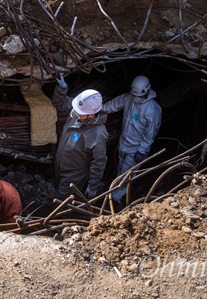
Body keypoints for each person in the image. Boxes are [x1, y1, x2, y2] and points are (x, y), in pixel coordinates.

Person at [101, 75, 162, 209]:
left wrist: (142, 150)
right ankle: (114, 188)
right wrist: (98, 109)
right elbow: (113, 105)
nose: (135, 98)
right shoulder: (128, 98)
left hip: (136, 149)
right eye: (134, 95)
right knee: (121, 168)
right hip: (124, 143)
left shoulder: (152, 109)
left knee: (126, 174)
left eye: (138, 96)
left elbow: (150, 133)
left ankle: (115, 199)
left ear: (146, 92)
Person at [52, 75, 109, 200]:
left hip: (74, 175)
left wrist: (93, 186)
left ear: (91, 115)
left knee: (62, 201)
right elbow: (59, 103)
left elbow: (99, 162)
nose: (74, 113)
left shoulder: (98, 134)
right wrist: (62, 88)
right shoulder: (81, 108)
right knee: (56, 188)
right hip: (60, 164)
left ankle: (62, 217)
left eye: (79, 113)